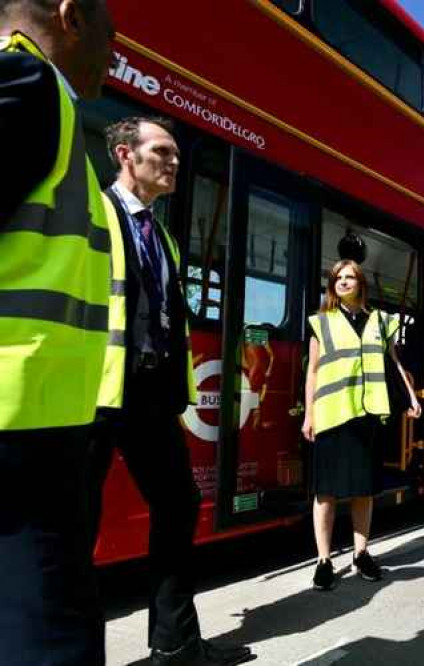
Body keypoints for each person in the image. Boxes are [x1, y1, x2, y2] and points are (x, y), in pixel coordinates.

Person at [85, 117, 252, 666]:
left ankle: (176, 646)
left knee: (179, 505)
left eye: (177, 153)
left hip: (152, 393)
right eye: (163, 151)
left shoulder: (165, 240)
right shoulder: (92, 212)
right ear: (125, 155)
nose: (175, 161)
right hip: (91, 392)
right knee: (72, 523)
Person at [1, 1, 114, 663]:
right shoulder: (29, 83)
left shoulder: (53, 103)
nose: (115, 50)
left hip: (42, 422)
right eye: (112, 32)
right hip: (18, 429)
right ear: (72, 16)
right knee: (51, 638)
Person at [302, 258, 421, 591]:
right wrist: (310, 415)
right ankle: (324, 560)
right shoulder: (320, 322)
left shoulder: (381, 322)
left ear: (361, 284)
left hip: (367, 414)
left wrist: (411, 395)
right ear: (332, 286)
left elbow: (393, 362)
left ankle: (361, 553)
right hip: (331, 414)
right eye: (338, 278)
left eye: (349, 277)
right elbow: (312, 371)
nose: (343, 282)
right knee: (325, 493)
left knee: (363, 490)